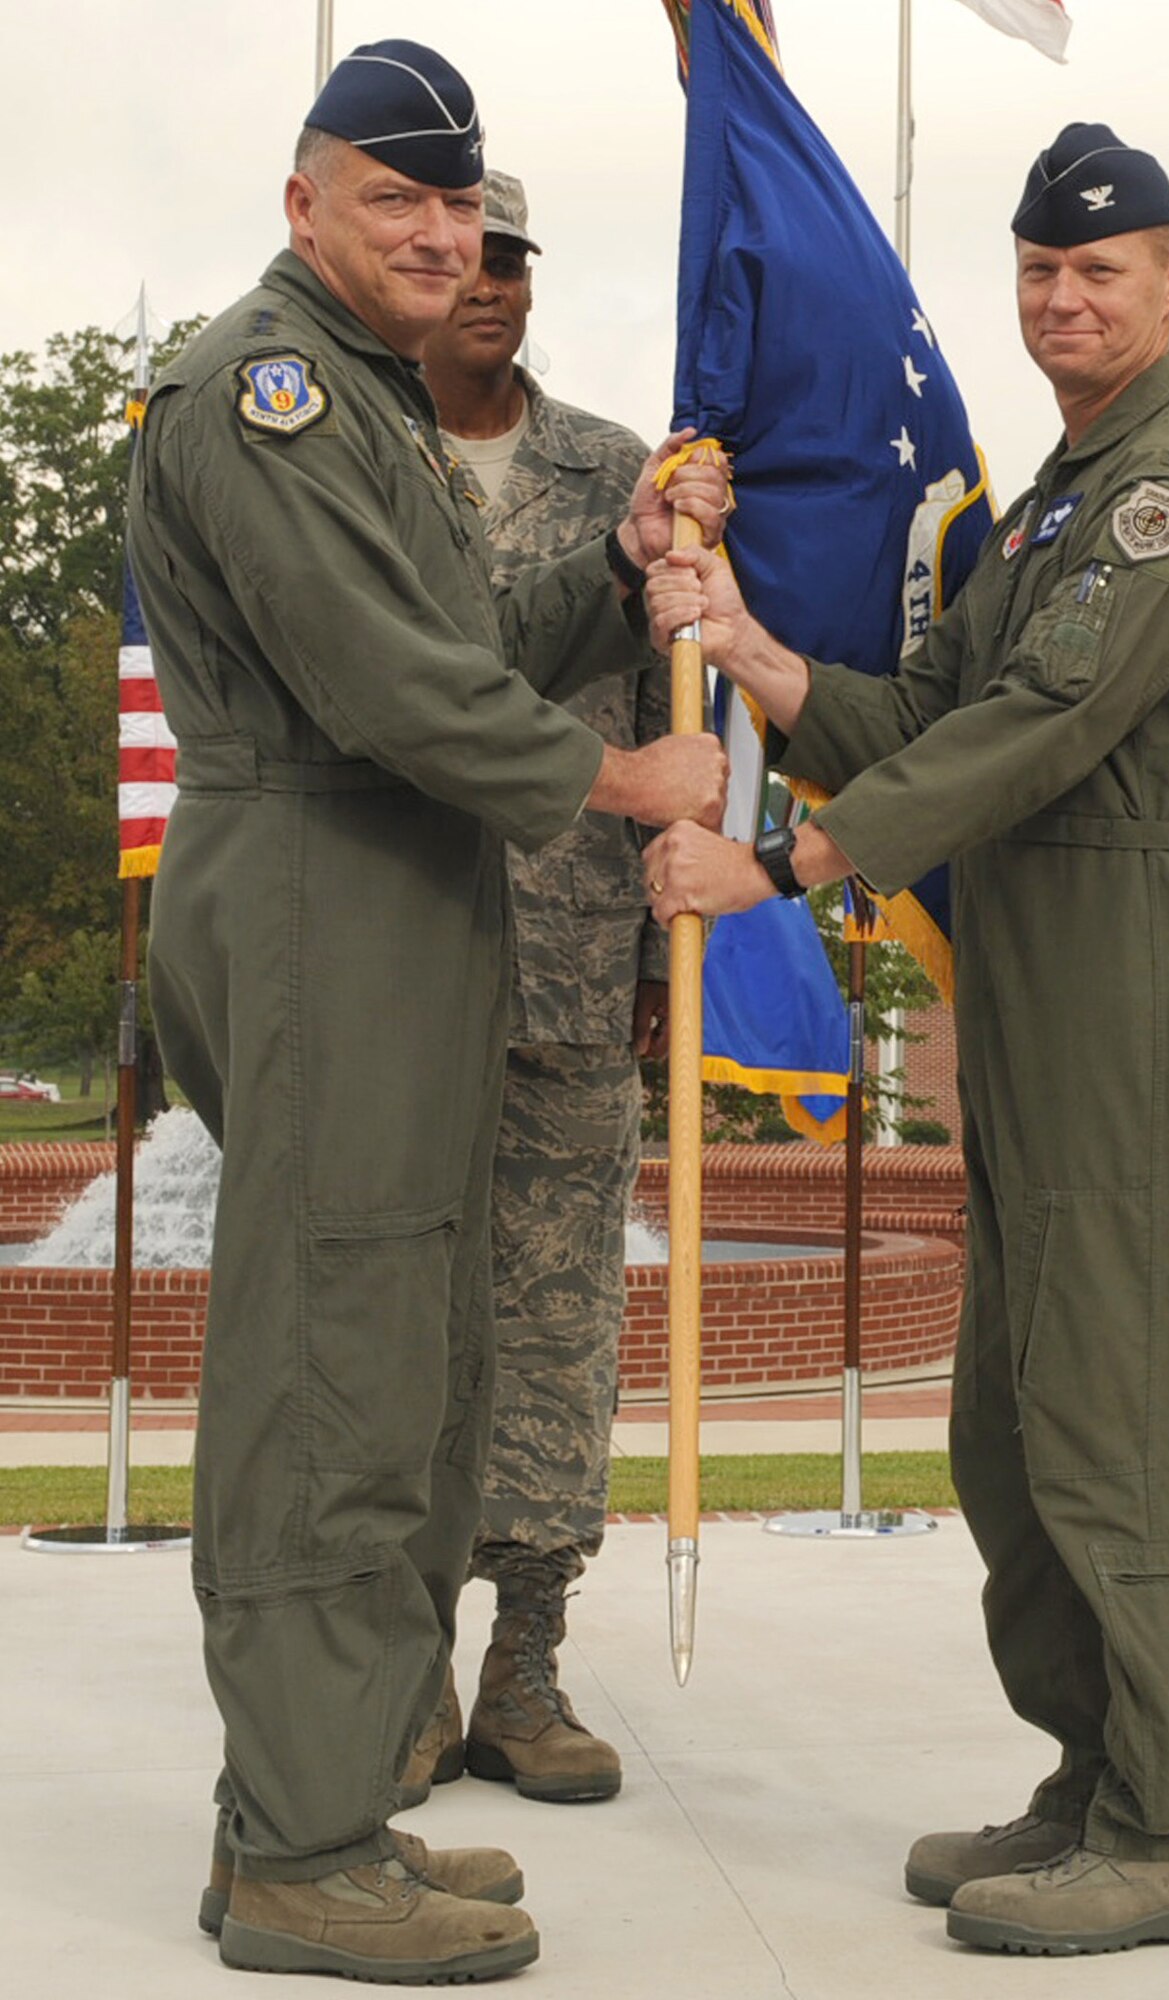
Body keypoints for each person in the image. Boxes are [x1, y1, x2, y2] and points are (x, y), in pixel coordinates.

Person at [641, 123, 1169, 1957]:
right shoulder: (1054, 508)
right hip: (1034, 983)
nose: (1062, 298)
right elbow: (930, 703)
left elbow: (1036, 732)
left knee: (1123, 1410)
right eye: (1038, 271)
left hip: (1128, 973)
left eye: (1101, 269)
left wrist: (779, 863)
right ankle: (1097, 1774)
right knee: (1016, 1418)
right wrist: (747, 640)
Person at [127, 40, 727, 1987]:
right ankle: (302, 1848)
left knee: (396, 1362)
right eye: (397, 197)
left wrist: (608, 592)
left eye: (458, 205)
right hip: (323, 887)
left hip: (389, 892)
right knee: (331, 1369)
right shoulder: (272, 385)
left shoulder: (367, 394)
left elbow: (456, 649)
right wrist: (620, 780)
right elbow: (386, 686)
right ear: (305, 203)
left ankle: (303, 1815)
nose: (439, 233)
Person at [399, 171, 668, 1807]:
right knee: (402, 1324)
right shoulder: (356, 455)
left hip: (571, 961)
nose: (487, 283)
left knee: (562, 1324)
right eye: (462, 255)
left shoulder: (613, 474)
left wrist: (652, 954)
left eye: (510, 259)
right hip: (400, 954)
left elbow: (654, 705)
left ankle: (526, 1666)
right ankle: (400, 1668)